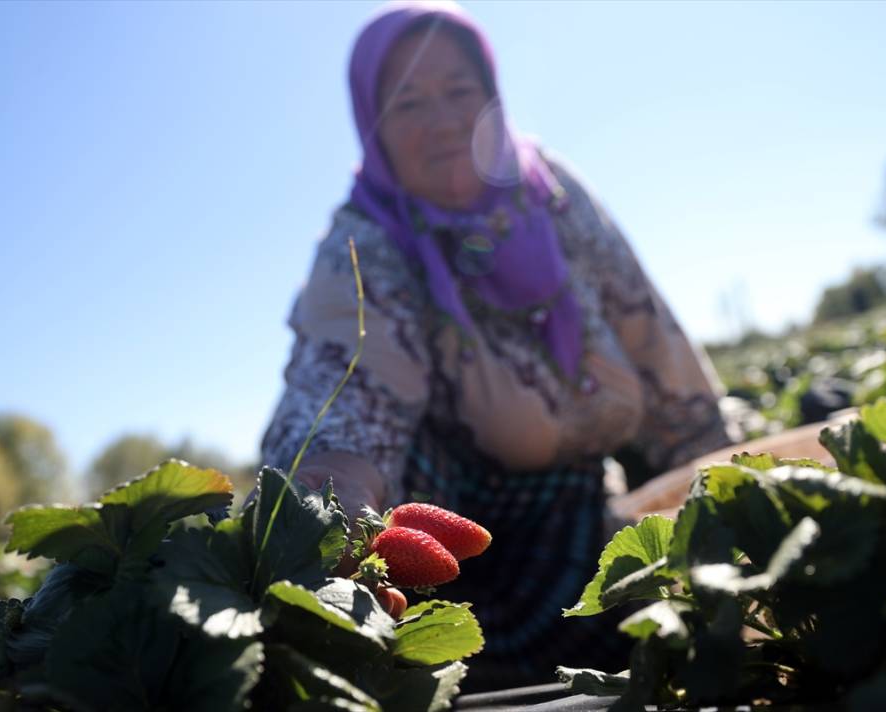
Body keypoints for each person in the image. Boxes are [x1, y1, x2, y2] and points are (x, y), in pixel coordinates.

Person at [260, 0, 734, 690]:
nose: (447, 121)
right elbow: (346, 393)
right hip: (445, 540)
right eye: (409, 103)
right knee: (441, 650)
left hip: (573, 504)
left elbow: (650, 332)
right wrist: (333, 525)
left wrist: (722, 480)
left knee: (647, 618)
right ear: (375, 127)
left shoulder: (554, 197)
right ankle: (446, 666)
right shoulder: (366, 245)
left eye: (461, 91)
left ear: (493, 96)